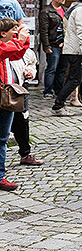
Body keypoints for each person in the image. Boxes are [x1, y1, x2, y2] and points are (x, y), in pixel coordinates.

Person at [0, 18, 31, 191]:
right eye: (13, 30)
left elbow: (18, 53)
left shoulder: (7, 46)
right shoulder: (2, 46)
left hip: (5, 97)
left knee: (3, 138)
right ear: (3, 33)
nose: (16, 33)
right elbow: (11, 49)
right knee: (2, 139)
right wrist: (21, 39)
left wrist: (22, 40)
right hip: (2, 97)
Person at [9, 46, 44, 167]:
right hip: (5, 88)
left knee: (22, 121)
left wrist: (30, 72)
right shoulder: (6, 48)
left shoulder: (27, 51)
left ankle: (25, 154)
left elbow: (32, 64)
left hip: (20, 88)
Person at [39, 0, 66, 98]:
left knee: (62, 69)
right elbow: (43, 30)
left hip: (64, 45)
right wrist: (46, 46)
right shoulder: (46, 11)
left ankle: (59, 91)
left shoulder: (66, 10)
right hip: (53, 44)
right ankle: (48, 91)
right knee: (52, 68)